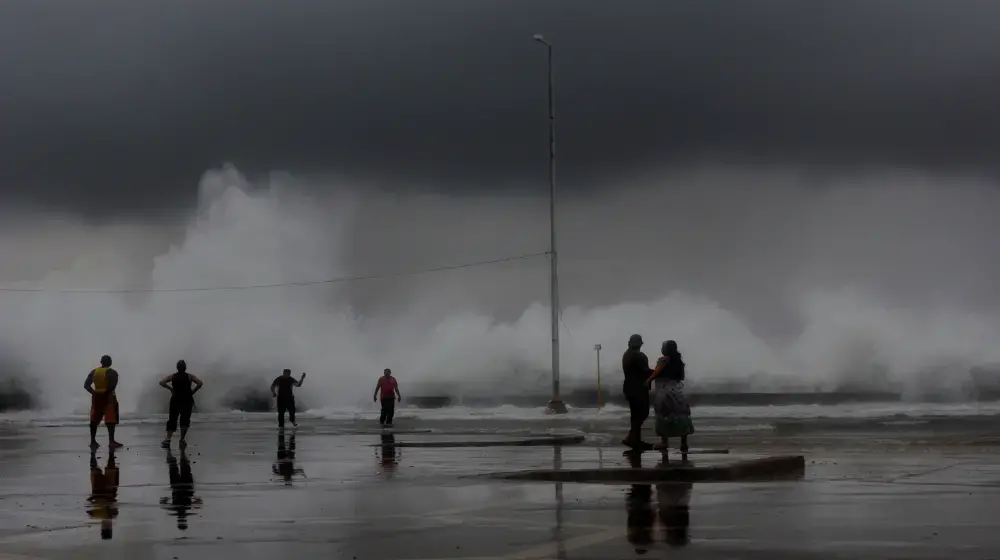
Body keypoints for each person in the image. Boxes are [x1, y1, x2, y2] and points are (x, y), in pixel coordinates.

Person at [646, 340, 694, 456]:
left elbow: (655, 373)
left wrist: (647, 380)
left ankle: (664, 442)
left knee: (663, 414)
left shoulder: (663, 360)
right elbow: (681, 377)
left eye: (663, 347)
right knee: (681, 414)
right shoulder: (679, 362)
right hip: (677, 391)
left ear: (666, 349)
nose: (661, 349)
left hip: (664, 391)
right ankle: (684, 443)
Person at [159, 360, 204, 448]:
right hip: (187, 400)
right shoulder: (190, 377)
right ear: (185, 367)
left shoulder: (173, 376)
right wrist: (193, 392)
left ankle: (168, 439)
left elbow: (161, 382)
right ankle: (182, 439)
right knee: (185, 420)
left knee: (172, 419)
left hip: (175, 400)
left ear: (177, 367)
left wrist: (171, 389)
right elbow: (200, 383)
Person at [84, 355, 123, 450]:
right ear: (110, 362)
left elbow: (86, 385)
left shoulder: (94, 372)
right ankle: (111, 441)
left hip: (96, 397)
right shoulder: (112, 372)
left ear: (101, 362)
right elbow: (112, 386)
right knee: (110, 420)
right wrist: (105, 394)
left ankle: (93, 441)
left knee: (94, 419)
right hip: (108, 398)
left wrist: (94, 393)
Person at [621, 334, 653, 450]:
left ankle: (635, 440)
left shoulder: (627, 354)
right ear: (640, 344)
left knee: (635, 415)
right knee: (642, 413)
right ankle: (631, 438)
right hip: (638, 389)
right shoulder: (638, 356)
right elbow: (645, 371)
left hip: (630, 388)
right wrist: (659, 372)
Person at [86, 449, 120, 540]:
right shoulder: (110, 514)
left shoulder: (111, 514)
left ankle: (102, 451)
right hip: (104, 492)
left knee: (106, 468)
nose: (107, 525)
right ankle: (98, 452)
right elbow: (89, 508)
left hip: (102, 492)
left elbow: (89, 507)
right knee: (105, 468)